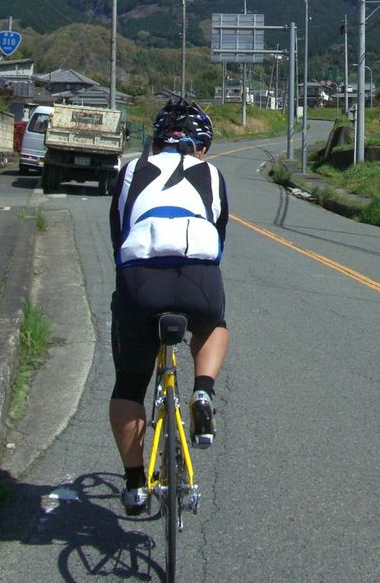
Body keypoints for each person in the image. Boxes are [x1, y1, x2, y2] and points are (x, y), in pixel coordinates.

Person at [108, 96, 229, 513]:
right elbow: (218, 240)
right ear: (202, 147)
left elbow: (118, 236)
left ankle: (135, 485)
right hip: (198, 275)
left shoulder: (130, 171)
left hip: (140, 277)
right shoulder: (212, 174)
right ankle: (202, 391)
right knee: (213, 325)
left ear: (156, 142)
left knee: (129, 385)